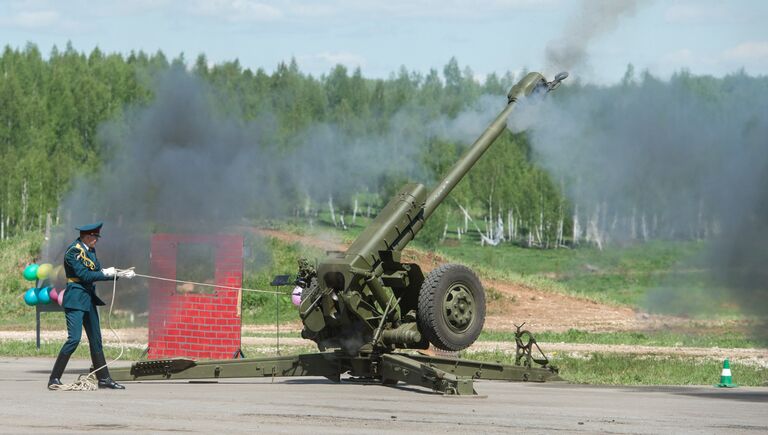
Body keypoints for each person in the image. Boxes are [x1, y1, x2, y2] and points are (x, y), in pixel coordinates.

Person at [48, 222, 135, 390]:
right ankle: (54, 378)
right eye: (95, 237)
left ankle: (104, 379)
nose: (97, 240)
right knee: (74, 339)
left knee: (96, 340)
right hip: (75, 298)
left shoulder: (90, 250)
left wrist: (118, 274)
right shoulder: (73, 252)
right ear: (87, 236)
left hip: (88, 298)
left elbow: (96, 270)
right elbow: (84, 275)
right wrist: (106, 273)